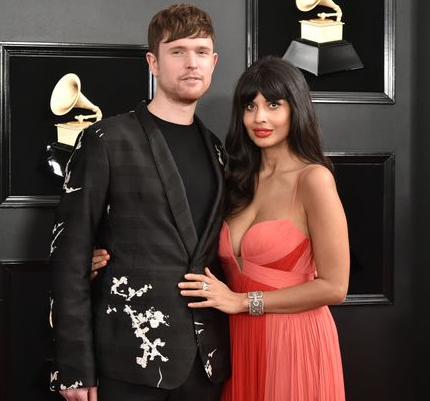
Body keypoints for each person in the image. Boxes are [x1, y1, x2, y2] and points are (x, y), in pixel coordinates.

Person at [93, 57, 350, 400]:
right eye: (250, 105)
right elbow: (174, 234)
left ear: (296, 109)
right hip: (238, 342)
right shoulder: (234, 178)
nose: (260, 117)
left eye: (274, 104)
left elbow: (335, 287)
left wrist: (243, 301)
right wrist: (103, 256)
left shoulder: (313, 179)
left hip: (294, 339)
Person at [49, 4, 230, 401]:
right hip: (127, 359)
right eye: (177, 51)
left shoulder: (218, 150)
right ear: (153, 62)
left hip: (207, 364)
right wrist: (73, 368)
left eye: (201, 52)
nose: (191, 63)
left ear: (214, 62)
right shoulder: (106, 140)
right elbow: (70, 253)